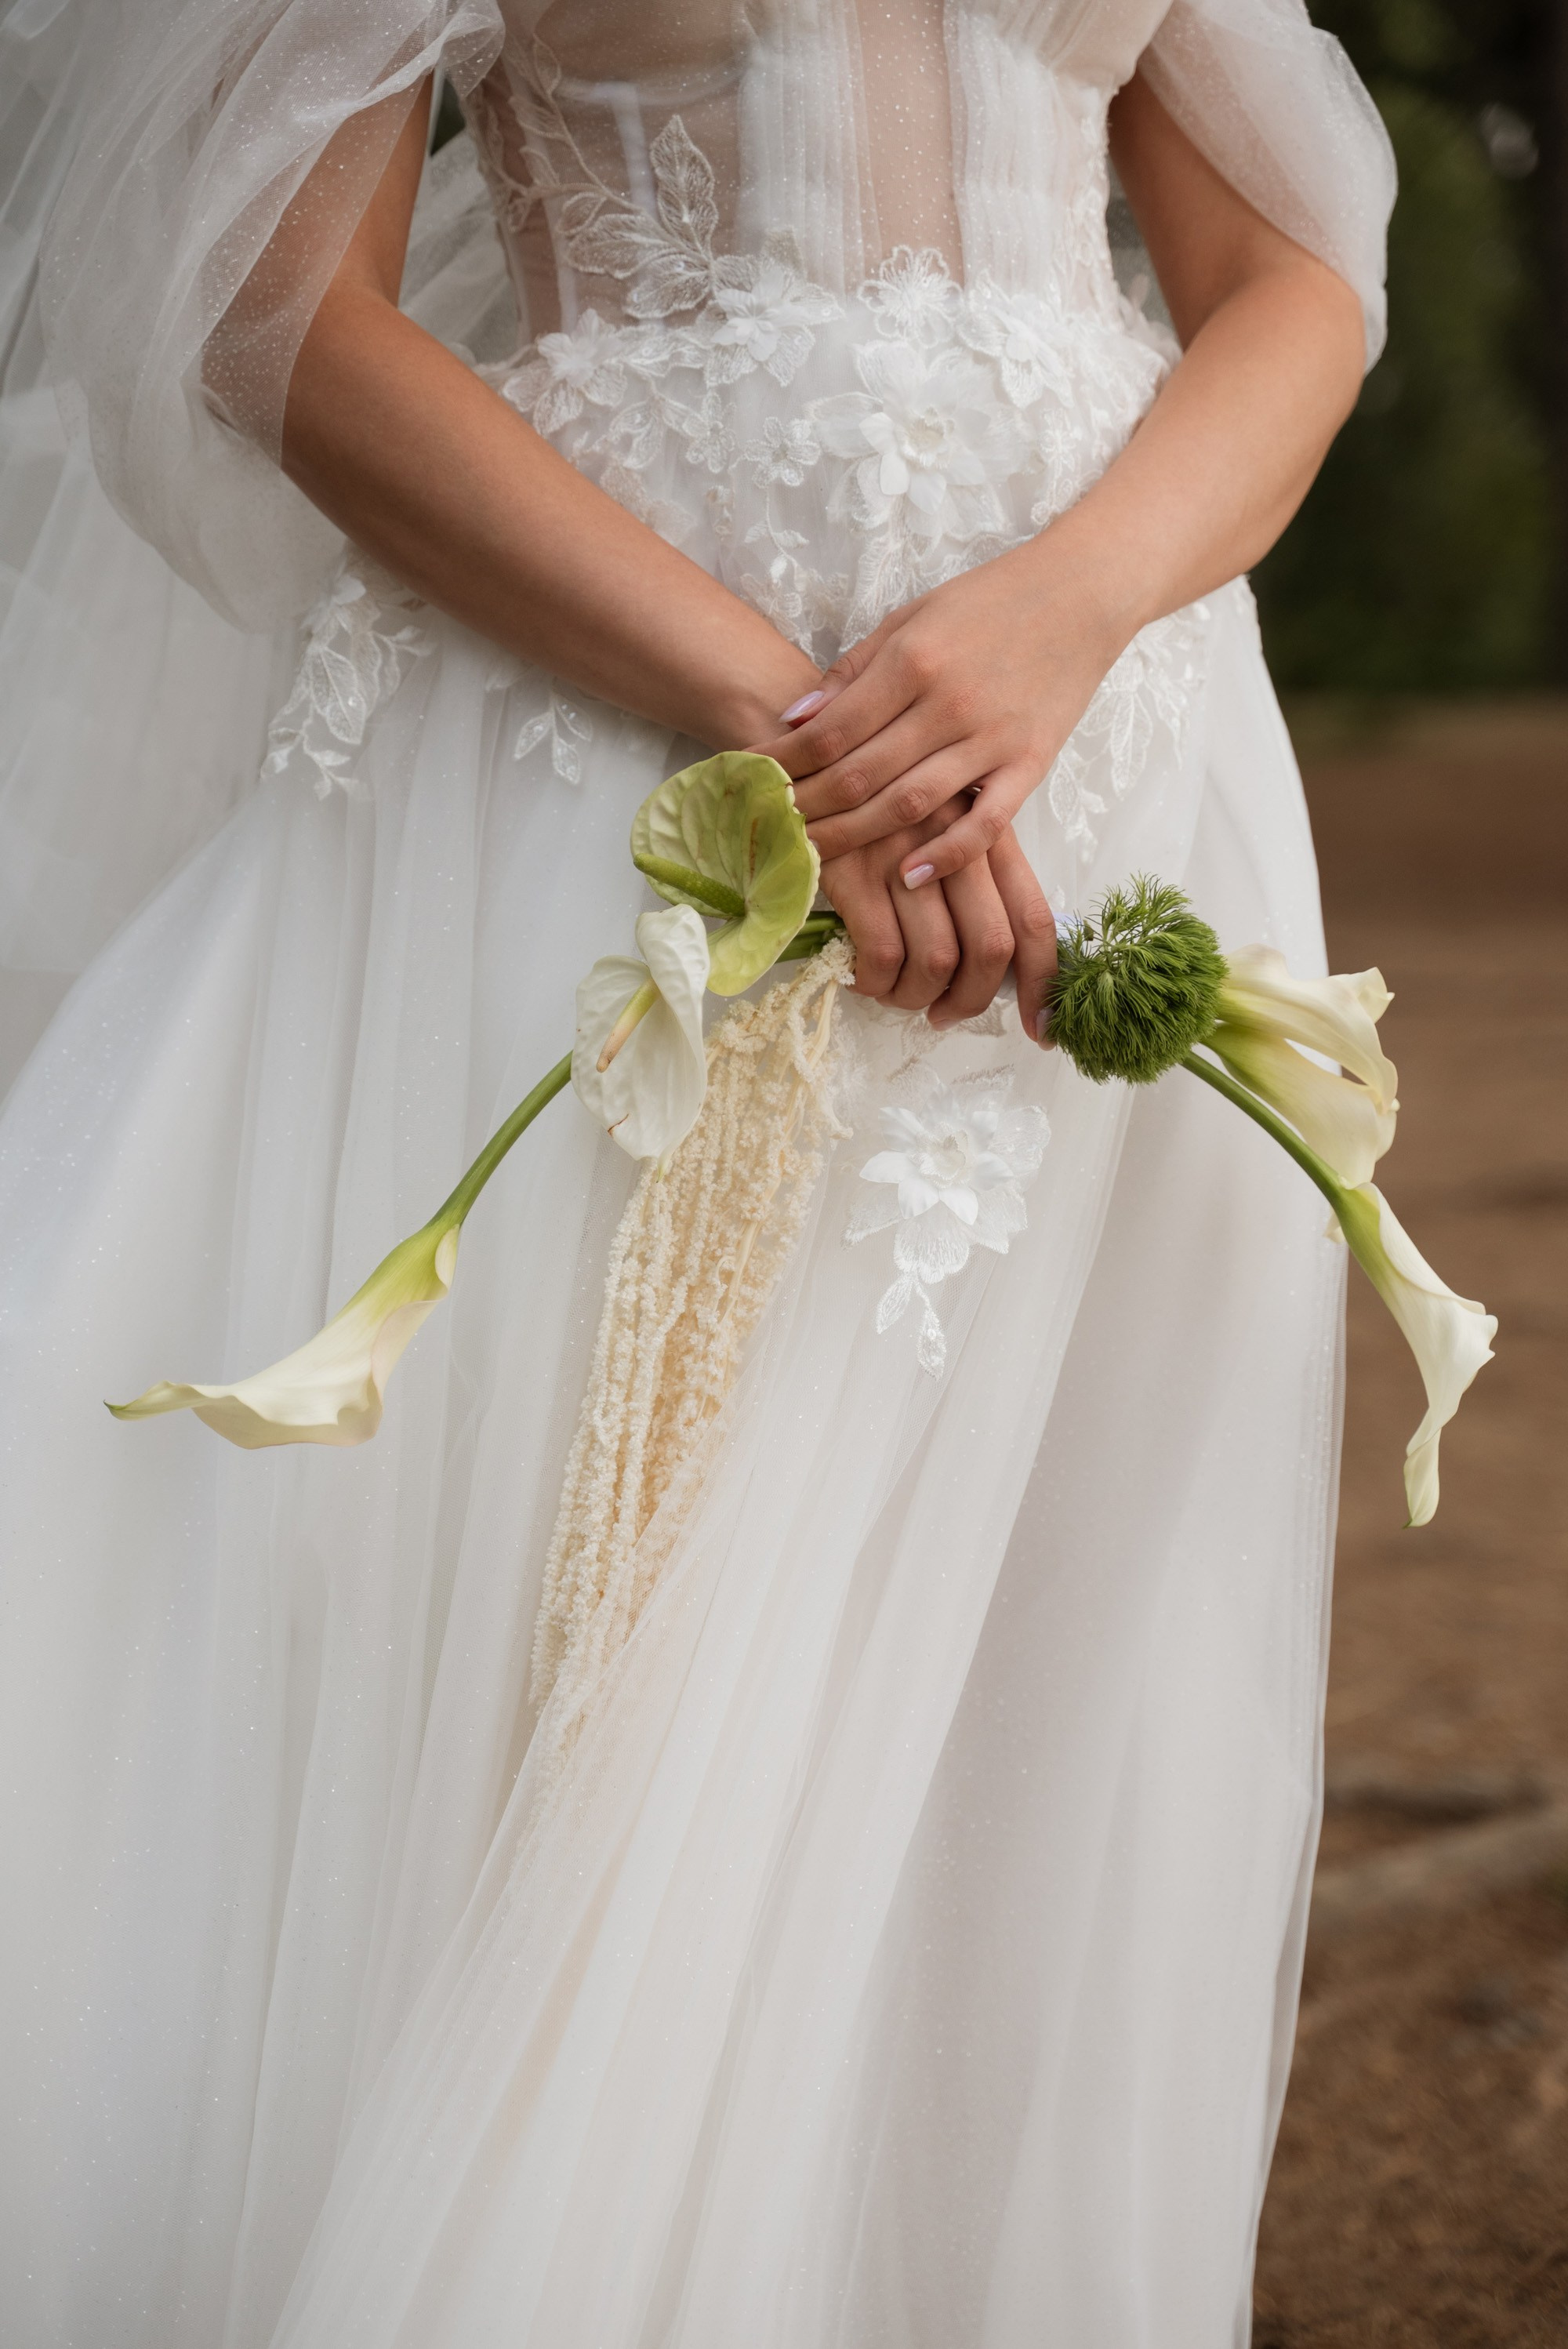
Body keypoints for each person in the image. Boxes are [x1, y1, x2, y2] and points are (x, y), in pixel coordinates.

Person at [0, 3, 1393, 2341]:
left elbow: (1296, 279)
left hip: (1117, 773)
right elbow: (266, 292)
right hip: (613, 763)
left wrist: (1066, 613)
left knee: (1034, 1683)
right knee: (591, 1649)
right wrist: (794, 729)